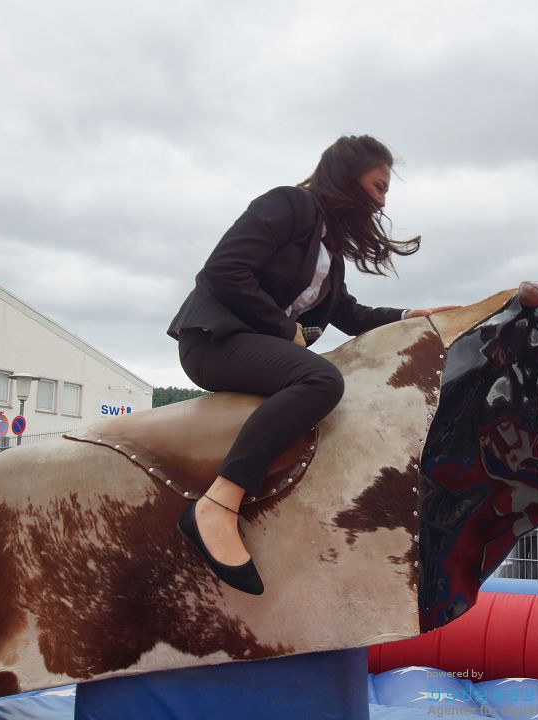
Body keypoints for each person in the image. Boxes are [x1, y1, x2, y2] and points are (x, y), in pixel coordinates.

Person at [168, 135, 457, 595]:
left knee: (335, 390)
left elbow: (350, 315)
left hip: (253, 346)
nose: (382, 201)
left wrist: (409, 317)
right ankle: (216, 507)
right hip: (212, 341)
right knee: (321, 378)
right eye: (379, 187)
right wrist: (285, 330)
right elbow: (222, 271)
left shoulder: (330, 254)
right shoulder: (288, 205)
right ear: (348, 175)